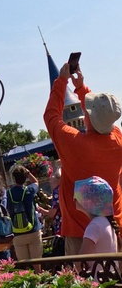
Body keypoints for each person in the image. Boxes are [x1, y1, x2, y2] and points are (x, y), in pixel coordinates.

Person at [43, 62, 122, 256]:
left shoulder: (75, 143)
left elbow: (51, 116)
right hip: (115, 228)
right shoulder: (118, 139)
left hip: (82, 234)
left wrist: (62, 81)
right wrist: (81, 88)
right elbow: (101, 118)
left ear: (88, 117)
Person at [6, 166, 46, 264]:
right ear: (25, 178)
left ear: (13, 178)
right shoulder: (29, 190)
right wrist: (28, 173)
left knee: (24, 264)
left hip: (17, 233)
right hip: (33, 229)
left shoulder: (8, 194)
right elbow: (36, 182)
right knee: (37, 262)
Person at [74, 176, 118, 256]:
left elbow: (80, 262)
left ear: (88, 202)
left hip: (97, 269)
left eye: (79, 196)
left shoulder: (94, 226)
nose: (74, 199)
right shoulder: (106, 221)